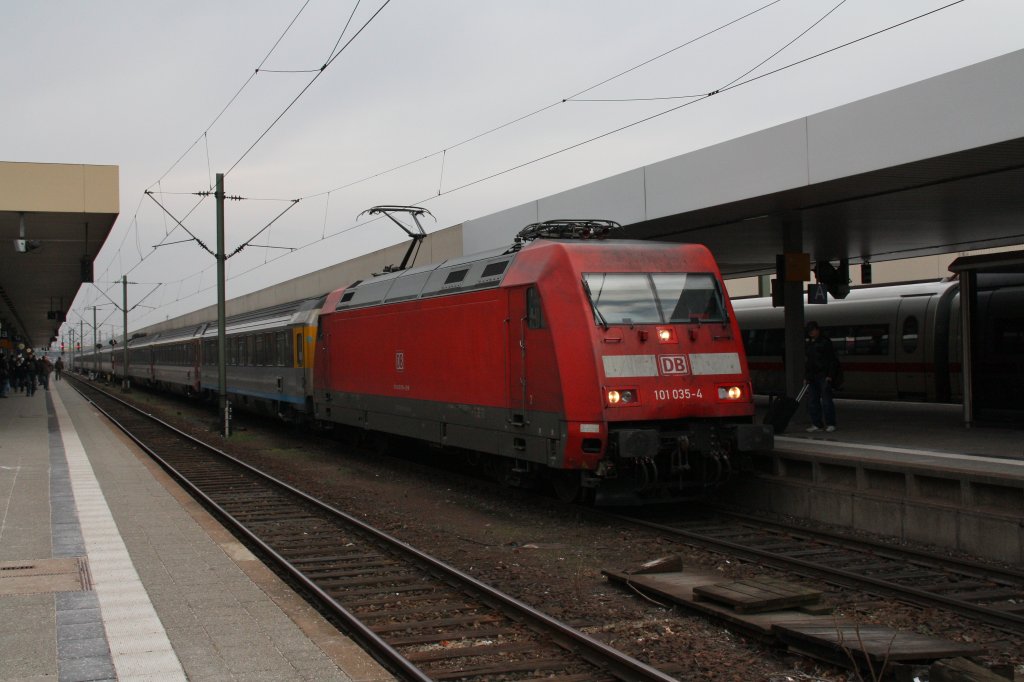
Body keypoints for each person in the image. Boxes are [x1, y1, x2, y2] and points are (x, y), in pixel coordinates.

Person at [804, 320, 838, 433]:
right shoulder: (810, 343)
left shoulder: (825, 342)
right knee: (812, 401)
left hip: (823, 375)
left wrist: (830, 375)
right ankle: (817, 423)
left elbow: (832, 360)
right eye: (809, 331)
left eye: (812, 330)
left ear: (817, 330)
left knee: (826, 401)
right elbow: (808, 362)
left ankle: (830, 423)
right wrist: (807, 376)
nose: (811, 333)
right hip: (812, 376)